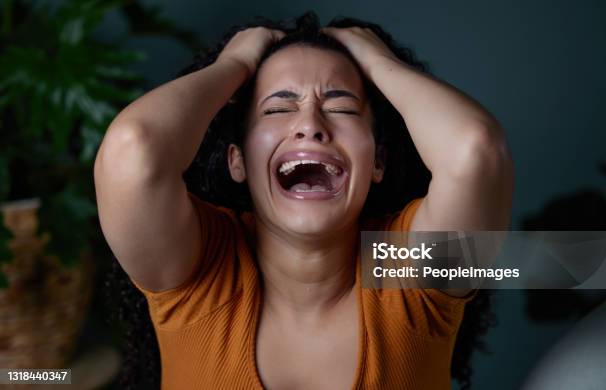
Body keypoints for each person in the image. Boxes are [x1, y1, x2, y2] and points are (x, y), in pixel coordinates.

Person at [95, 12, 513, 390]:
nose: (310, 125)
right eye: (278, 109)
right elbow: (134, 151)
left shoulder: (407, 275)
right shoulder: (199, 267)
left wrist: (374, 60)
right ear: (237, 161)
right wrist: (233, 66)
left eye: (342, 108)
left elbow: (475, 152)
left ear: (378, 162)